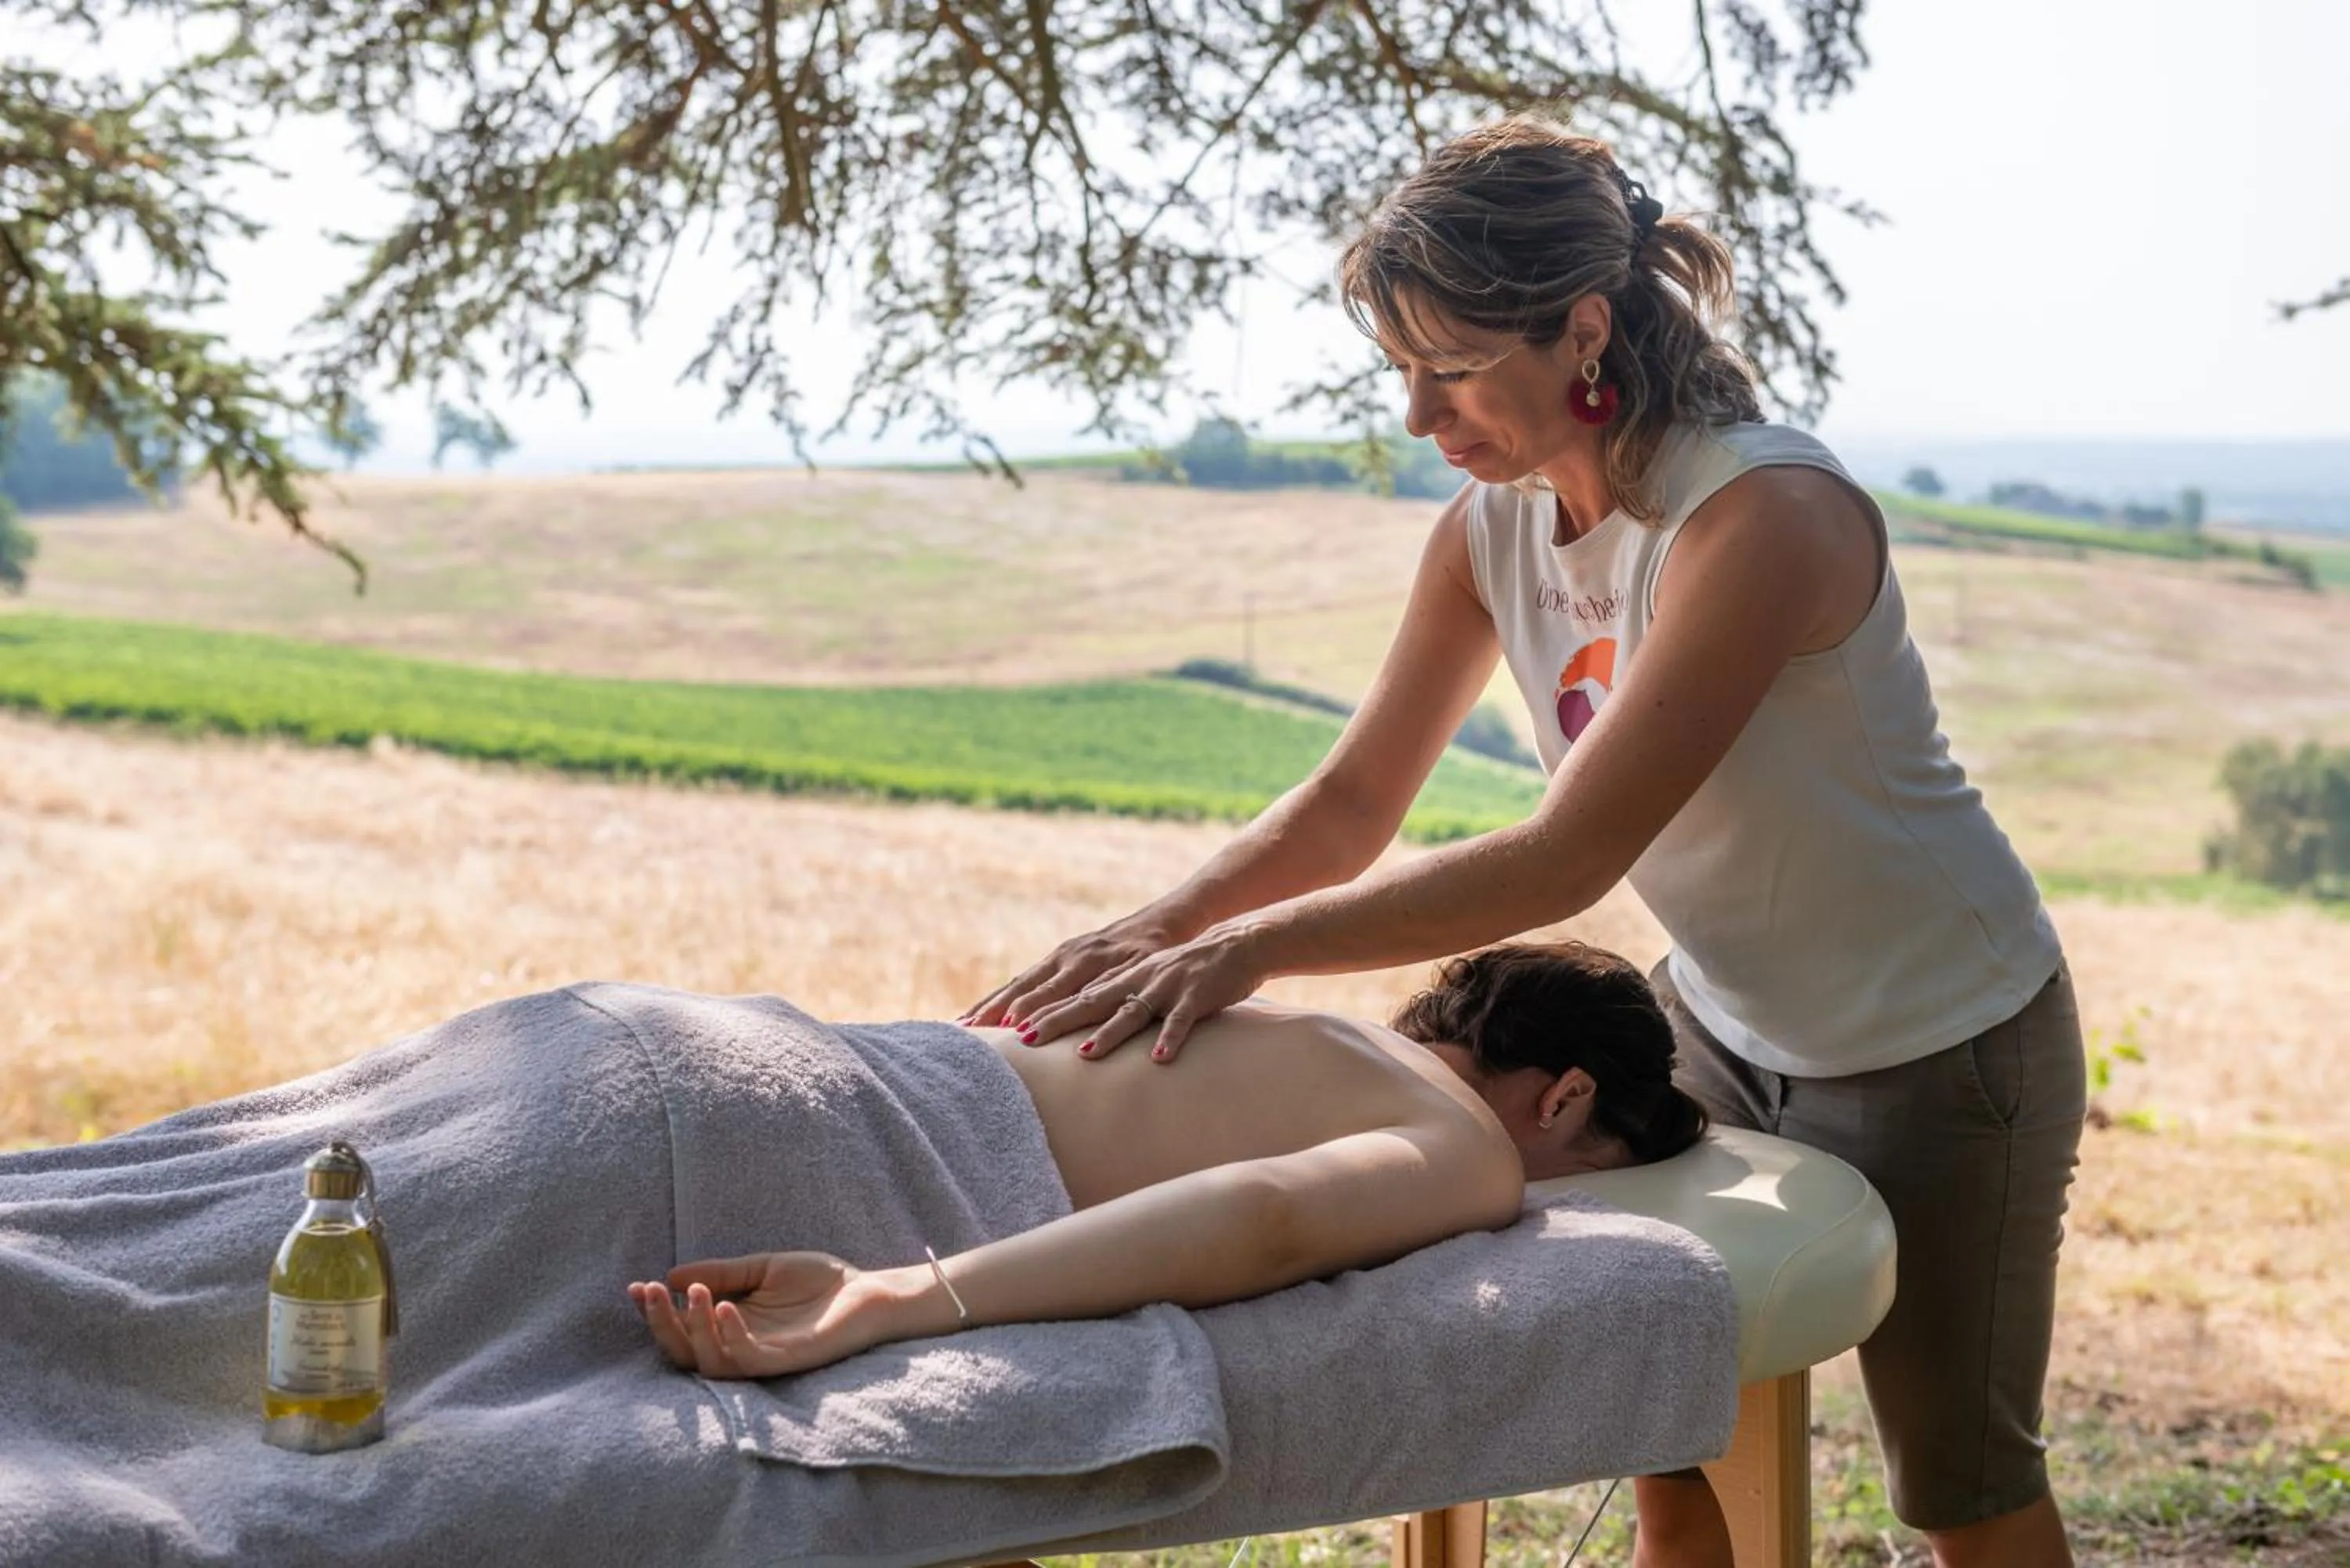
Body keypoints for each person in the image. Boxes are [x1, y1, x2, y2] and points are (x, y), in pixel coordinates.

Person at [960, 116, 2088, 1568]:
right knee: (1667, 1414)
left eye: (1456, 369)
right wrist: (1165, 927)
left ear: (1584, 329)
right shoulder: (1487, 532)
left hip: (1947, 1042)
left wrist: (1254, 951)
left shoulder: (1763, 518)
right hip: (1723, 1024)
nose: (1425, 419)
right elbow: (1352, 804)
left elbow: (1569, 856)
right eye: (1403, 375)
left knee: (1961, 1486)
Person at [630, 941, 1706, 1376]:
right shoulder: (1474, 1149)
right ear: (1566, 1098)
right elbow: (1266, 1214)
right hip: (859, 1136)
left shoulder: (1308, 1036)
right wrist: (897, 1297)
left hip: (773, 1050)